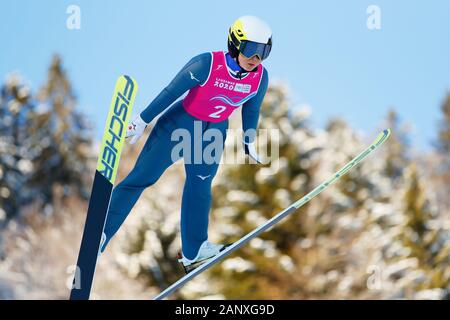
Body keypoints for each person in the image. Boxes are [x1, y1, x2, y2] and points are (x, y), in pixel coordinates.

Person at [100, 15, 272, 273]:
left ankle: (194, 250)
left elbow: (251, 110)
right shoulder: (206, 64)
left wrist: (249, 140)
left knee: (201, 185)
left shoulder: (259, 78)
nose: (256, 58)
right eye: (251, 50)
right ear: (235, 44)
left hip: (213, 131)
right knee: (142, 177)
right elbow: (171, 92)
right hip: (180, 124)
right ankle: (101, 232)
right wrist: (142, 120)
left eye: (264, 52)